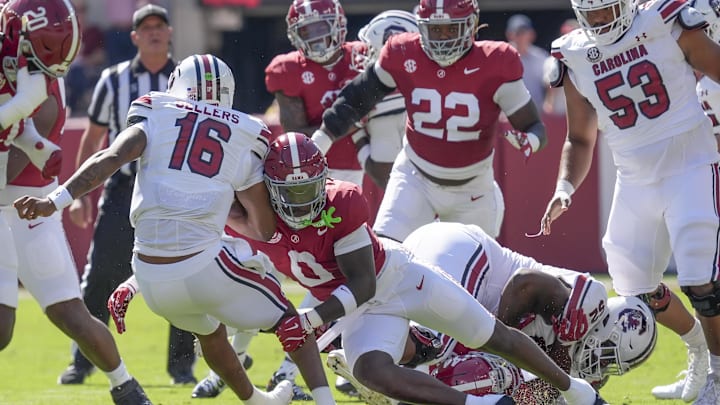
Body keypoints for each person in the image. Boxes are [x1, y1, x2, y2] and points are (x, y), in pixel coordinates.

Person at [13, 53, 335, 405]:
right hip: (202, 267)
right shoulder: (246, 132)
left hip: (150, 277)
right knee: (292, 322)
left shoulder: (156, 110)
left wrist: (55, 200)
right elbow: (262, 227)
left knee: (211, 335)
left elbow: (108, 159)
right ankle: (326, 401)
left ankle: (260, 401)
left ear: (177, 85)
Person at [226, 132, 605, 405]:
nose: (300, 201)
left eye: (309, 189)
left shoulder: (341, 202)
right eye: (290, 192)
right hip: (359, 311)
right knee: (371, 372)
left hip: (397, 278)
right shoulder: (251, 219)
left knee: (491, 335)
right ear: (268, 188)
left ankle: (578, 392)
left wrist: (311, 319)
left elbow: (363, 284)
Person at [539, 0, 720, 403]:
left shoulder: (663, 21)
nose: (601, 18)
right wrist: (564, 187)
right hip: (634, 177)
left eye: (608, 9)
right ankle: (697, 349)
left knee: (700, 277)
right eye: (593, 12)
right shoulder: (573, 53)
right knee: (634, 285)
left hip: (690, 161)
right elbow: (580, 137)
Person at [0, 0, 153, 404]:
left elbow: (11, 168)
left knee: (70, 312)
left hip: (25, 202)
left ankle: (125, 384)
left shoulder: (42, 89)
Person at [310, 0, 547, 242]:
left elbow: (534, 126)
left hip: (473, 188)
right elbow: (357, 98)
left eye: (451, 29)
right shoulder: (403, 52)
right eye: (435, 29)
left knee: (471, 274)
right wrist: (319, 141)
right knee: (388, 258)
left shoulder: (496, 61)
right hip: (415, 177)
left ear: (471, 25)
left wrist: (532, 141)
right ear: (421, 27)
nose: (443, 39)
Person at [61, 3, 198, 386]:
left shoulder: (190, 80)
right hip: (124, 189)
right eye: (146, 27)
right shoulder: (113, 79)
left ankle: (182, 367)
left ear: (170, 32)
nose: (154, 32)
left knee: (183, 277)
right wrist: (79, 193)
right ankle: (83, 361)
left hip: (177, 192)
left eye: (160, 25)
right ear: (134, 36)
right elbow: (93, 139)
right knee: (100, 275)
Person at [261, 0, 370, 398]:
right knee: (330, 275)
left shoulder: (364, 55)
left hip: (361, 175)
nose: (317, 38)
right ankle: (289, 366)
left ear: (340, 26)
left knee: (354, 274)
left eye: (323, 27)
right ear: (294, 36)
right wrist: (351, 115)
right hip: (306, 182)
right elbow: (301, 136)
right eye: (306, 31)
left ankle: (336, 363)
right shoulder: (288, 69)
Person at [350, 9, 417, 190]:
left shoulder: (379, 102)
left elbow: (382, 175)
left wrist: (357, 134)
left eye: (371, 49)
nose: (365, 55)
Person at [504, 14, 550, 111]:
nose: (520, 37)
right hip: (510, 112)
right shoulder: (502, 56)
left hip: (538, 112)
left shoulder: (541, 57)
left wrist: (548, 105)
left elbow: (550, 84)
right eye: (517, 33)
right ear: (509, 35)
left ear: (531, 34)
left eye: (523, 32)